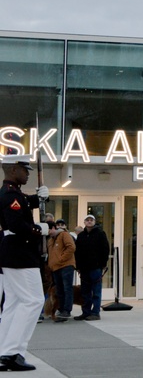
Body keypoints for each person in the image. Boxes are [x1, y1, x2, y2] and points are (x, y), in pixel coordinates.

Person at [0, 155, 49, 371]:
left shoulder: (13, 193)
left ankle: (4, 350)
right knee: (33, 301)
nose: (28, 173)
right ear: (12, 170)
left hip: (12, 254)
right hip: (20, 255)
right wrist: (41, 229)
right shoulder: (11, 194)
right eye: (24, 170)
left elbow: (23, 204)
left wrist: (38, 199)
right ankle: (12, 352)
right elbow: (17, 223)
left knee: (13, 303)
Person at [74, 213, 110, 321]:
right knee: (85, 292)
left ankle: (95, 312)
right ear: (84, 222)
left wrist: (102, 264)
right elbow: (78, 253)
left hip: (96, 268)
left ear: (94, 222)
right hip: (84, 269)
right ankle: (86, 312)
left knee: (96, 291)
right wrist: (78, 267)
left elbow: (105, 250)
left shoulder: (100, 234)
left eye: (91, 220)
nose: (89, 221)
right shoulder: (81, 236)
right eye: (87, 220)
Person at [47, 219, 76, 322]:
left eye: (49, 230)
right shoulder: (50, 240)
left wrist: (61, 259)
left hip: (66, 266)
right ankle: (61, 309)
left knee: (67, 288)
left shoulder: (64, 235)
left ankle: (66, 310)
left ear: (54, 228)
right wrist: (51, 264)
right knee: (59, 290)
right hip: (55, 268)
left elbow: (71, 247)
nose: (48, 233)